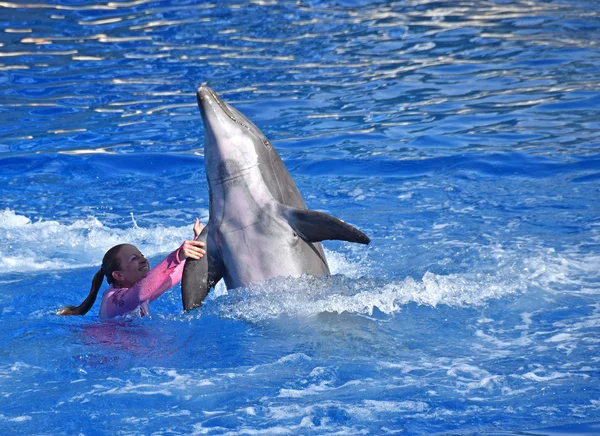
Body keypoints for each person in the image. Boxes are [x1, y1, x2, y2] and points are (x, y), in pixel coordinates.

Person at [57, 218, 206, 319]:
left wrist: (197, 244)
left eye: (141, 255)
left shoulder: (138, 290)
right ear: (119, 275)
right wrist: (176, 256)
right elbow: (141, 292)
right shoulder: (113, 299)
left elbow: (172, 276)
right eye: (133, 259)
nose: (143, 259)